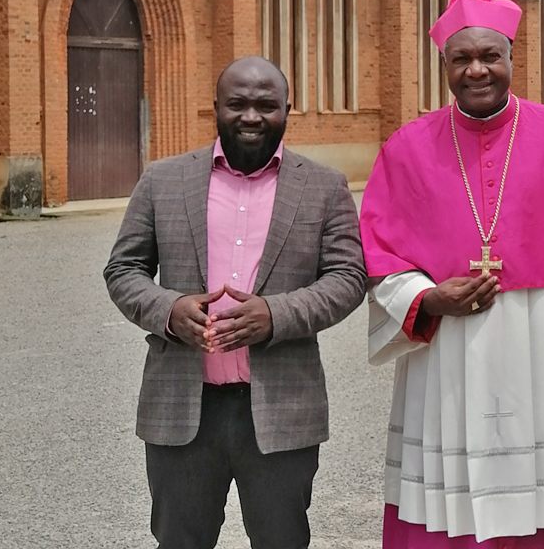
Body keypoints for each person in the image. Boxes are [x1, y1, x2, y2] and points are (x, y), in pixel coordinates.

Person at [361, 0, 544, 548]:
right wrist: (431, 299)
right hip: (447, 355)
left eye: (490, 56)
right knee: (449, 500)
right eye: (462, 59)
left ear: (511, 58)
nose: (477, 70)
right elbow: (381, 258)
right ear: (445, 66)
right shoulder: (407, 148)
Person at [104, 56, 368, 549]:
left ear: (288, 110)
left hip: (281, 410)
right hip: (182, 408)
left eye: (266, 105)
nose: (251, 116)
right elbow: (123, 269)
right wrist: (168, 310)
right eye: (238, 104)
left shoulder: (324, 187)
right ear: (216, 109)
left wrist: (275, 315)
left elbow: (349, 277)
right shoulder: (162, 181)